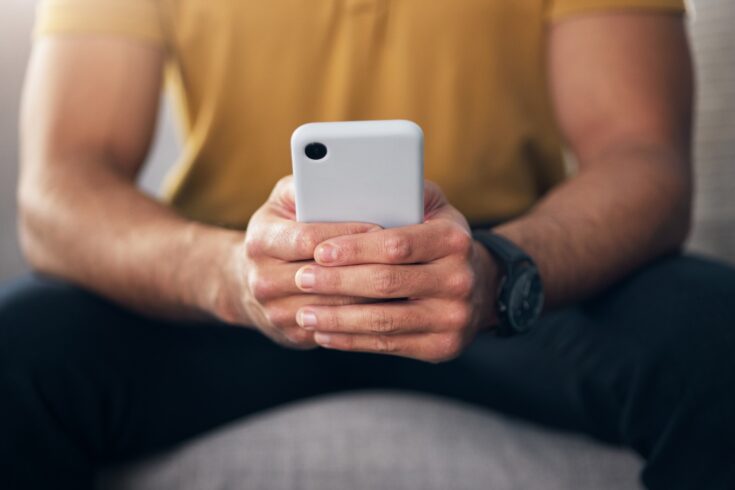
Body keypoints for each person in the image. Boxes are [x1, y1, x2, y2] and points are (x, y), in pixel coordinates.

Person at [1, 0, 734, 488]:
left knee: (715, 334)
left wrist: (495, 271)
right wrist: (226, 275)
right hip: (229, 290)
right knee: (15, 348)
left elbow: (641, 158)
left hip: (500, 283)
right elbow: (59, 192)